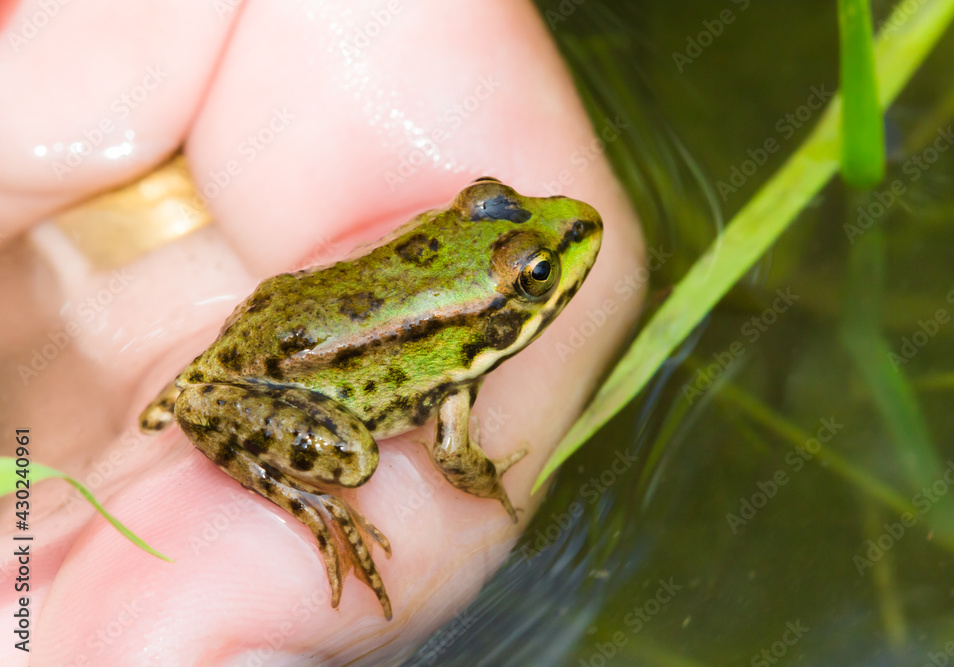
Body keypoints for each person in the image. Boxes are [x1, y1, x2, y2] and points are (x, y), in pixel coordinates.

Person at [0, 0, 644, 663]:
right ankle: (290, 487)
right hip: (292, 367)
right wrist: (487, 482)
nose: (565, 231)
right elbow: (454, 459)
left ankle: (200, 389)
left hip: (267, 329)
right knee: (357, 460)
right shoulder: (458, 375)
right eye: (539, 273)